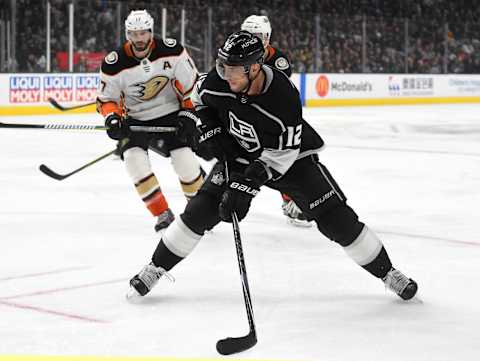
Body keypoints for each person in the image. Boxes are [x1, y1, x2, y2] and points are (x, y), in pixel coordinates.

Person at [127, 31, 418, 302]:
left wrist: (247, 186)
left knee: (336, 220)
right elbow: (199, 100)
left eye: (232, 69)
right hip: (238, 153)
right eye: (222, 66)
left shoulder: (283, 97)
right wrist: (210, 130)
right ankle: (155, 267)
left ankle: (388, 272)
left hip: (290, 160)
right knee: (199, 212)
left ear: (254, 68)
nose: (224, 74)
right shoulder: (219, 79)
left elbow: (283, 154)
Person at [96, 10, 205, 232]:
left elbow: (192, 86)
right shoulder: (114, 63)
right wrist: (112, 118)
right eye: (133, 34)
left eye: (143, 33)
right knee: (134, 162)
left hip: (172, 114)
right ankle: (162, 213)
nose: (139, 39)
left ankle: (199, 211)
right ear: (127, 34)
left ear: (151, 32)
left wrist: (189, 113)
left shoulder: (172, 50)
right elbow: (106, 100)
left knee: (184, 161)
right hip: (135, 118)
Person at [241, 14, 310, 227]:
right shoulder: (233, 55)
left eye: (259, 36)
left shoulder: (278, 60)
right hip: (241, 117)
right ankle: (213, 201)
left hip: (271, 120)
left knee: (283, 159)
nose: (254, 40)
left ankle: (290, 201)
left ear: (267, 37)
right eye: (250, 35)